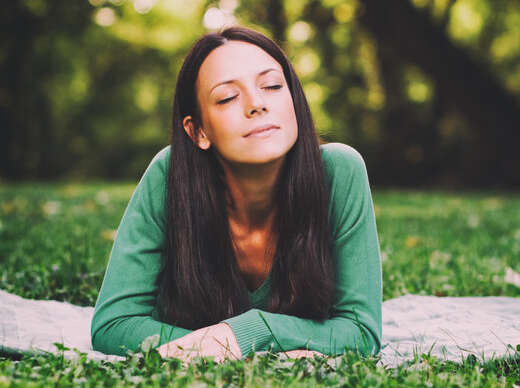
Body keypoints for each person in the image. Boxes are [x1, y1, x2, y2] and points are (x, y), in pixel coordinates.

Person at [91, 26, 382, 362]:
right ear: (198, 130)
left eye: (272, 86)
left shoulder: (340, 172)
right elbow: (112, 325)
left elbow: (361, 333)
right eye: (228, 97)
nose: (257, 104)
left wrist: (248, 333)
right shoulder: (170, 176)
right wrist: (219, 348)